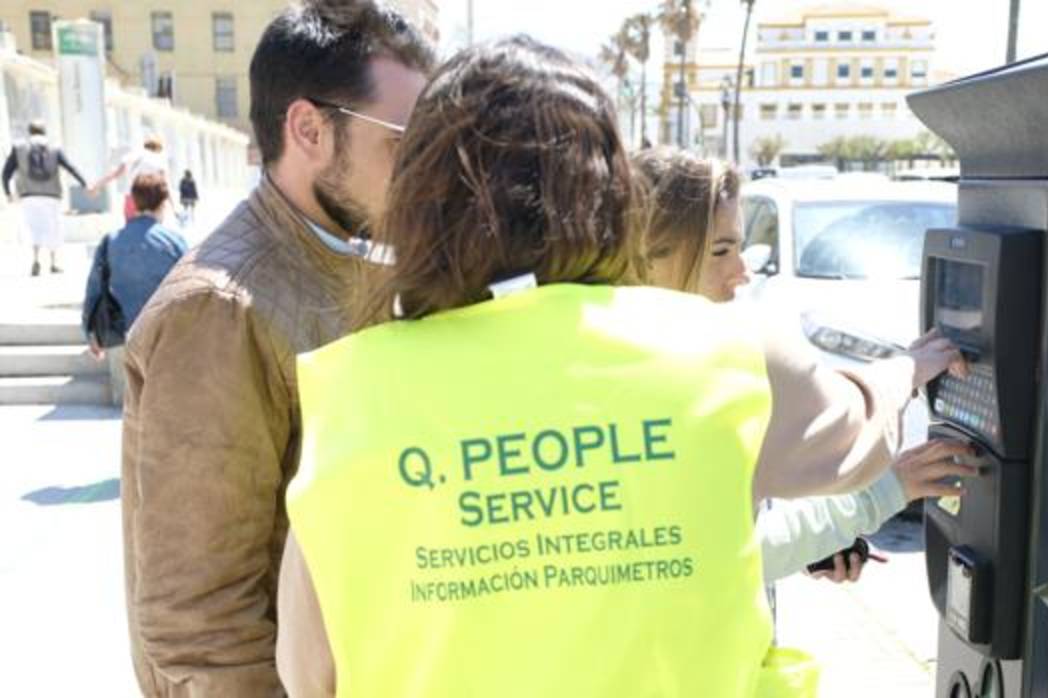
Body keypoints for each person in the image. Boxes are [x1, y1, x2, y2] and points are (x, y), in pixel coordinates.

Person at [275, 36, 963, 697]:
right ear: (609, 195)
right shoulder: (720, 352)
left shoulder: (353, 393)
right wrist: (902, 372)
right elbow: (855, 438)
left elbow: (310, 670)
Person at [118, 1, 435, 695]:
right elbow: (200, 623)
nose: (422, 171)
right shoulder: (219, 308)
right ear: (308, 129)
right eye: (402, 142)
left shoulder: (342, 257)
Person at [633, 147, 976, 584]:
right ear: (649, 254)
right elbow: (730, 556)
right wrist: (884, 490)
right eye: (721, 251)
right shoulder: (698, 370)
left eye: (740, 248)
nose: (743, 272)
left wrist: (817, 543)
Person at [81, 173, 187, 405]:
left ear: (134, 202)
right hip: (166, 337)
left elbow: (94, 289)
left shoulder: (111, 240)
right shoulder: (175, 242)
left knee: (129, 410)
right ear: (162, 204)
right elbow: (192, 292)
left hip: (123, 336)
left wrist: (91, 334)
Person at [2, 121, 89, 276]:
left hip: (28, 195)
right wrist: (85, 184)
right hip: (52, 195)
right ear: (44, 131)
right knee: (52, 228)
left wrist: (8, 193)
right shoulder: (55, 148)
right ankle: (53, 262)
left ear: (30, 132)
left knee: (33, 227)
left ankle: (35, 260)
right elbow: (70, 167)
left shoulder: (19, 148)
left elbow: (6, 173)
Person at [91, 135, 170, 221]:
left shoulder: (131, 156)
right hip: (152, 201)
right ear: (157, 148)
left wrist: (96, 186)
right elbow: (165, 185)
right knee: (153, 231)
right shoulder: (158, 159)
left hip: (131, 198)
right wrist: (174, 208)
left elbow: (114, 175)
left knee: (131, 229)